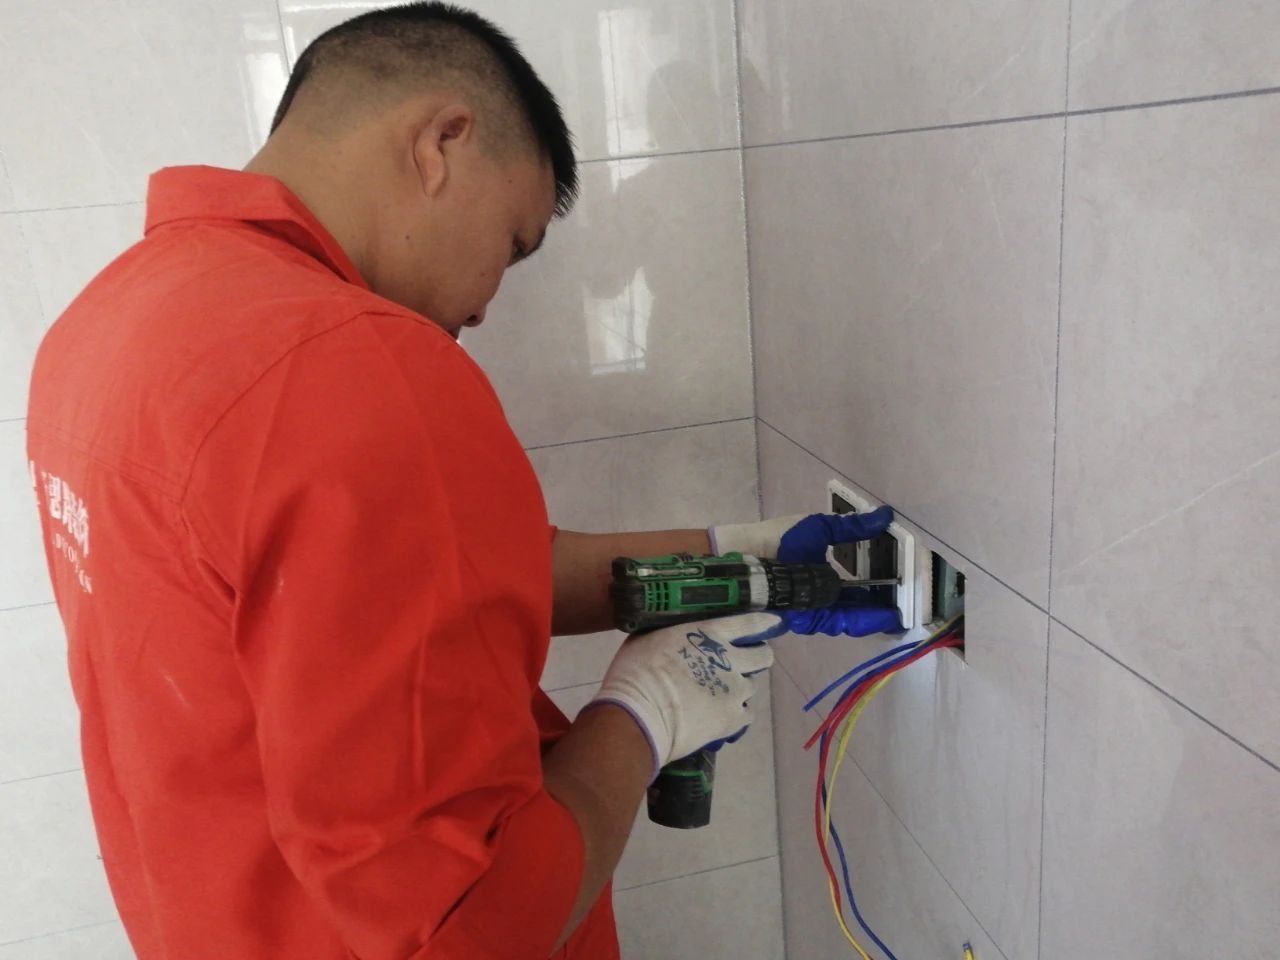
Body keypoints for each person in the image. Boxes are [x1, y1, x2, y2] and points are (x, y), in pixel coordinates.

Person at [25, 4, 899, 958]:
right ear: (442, 140)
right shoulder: (350, 362)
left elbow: (387, 591)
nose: (485, 307)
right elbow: (470, 926)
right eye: (514, 244)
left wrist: (732, 554)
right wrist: (645, 716)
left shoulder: (112, 320)